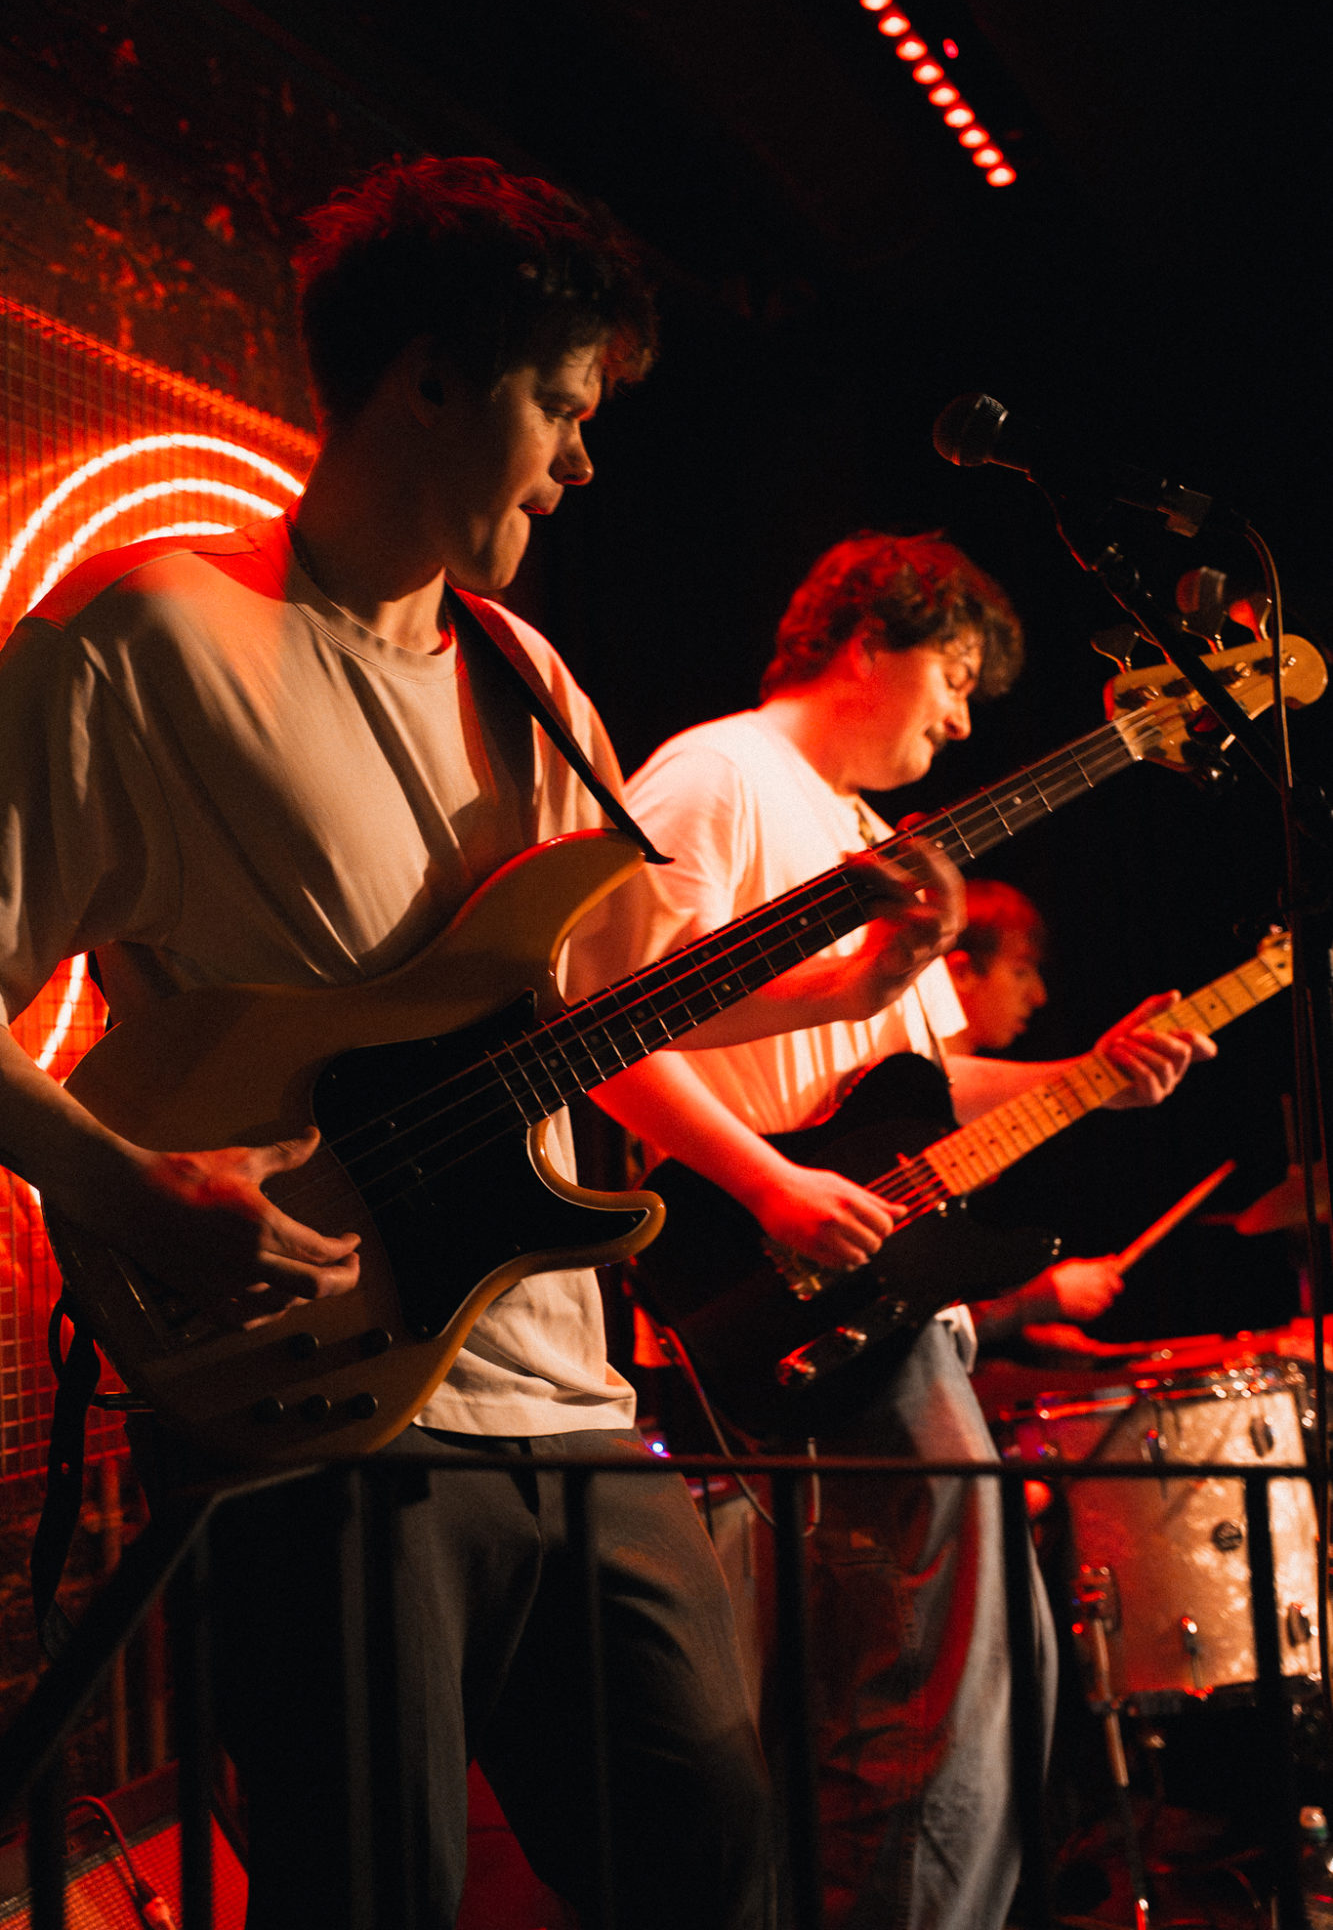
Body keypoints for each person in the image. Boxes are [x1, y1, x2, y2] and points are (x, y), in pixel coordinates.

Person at [0, 158, 951, 1929]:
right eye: (564, 406)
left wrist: (849, 981)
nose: (583, 464)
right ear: (429, 380)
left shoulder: (533, 681)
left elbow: (593, 1026)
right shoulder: (147, 639)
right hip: (317, 1405)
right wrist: (131, 1191)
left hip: (566, 1398)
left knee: (719, 1867)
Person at [569, 531, 1215, 1930]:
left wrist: (1086, 1073)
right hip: (786, 1282)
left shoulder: (869, 840)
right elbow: (598, 1019)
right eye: (957, 674)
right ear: (870, 640)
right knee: (934, 1696)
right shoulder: (718, 774)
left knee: (980, 1679)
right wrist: (763, 1184)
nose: (963, 720)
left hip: (875, 1286)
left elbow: (908, 1087)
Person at [946, 880, 1127, 1353]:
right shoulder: (903, 1112)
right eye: (1021, 971)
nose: (1040, 995)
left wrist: (1021, 1336)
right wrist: (1034, 1301)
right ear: (961, 972)